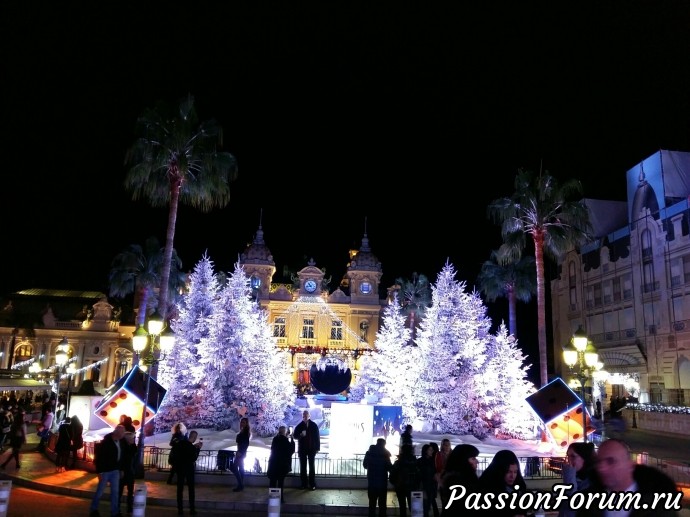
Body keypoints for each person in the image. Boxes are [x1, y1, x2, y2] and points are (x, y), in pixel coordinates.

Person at [576, 438, 681, 517]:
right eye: (599, 462)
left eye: (610, 461)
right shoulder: (587, 503)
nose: (601, 468)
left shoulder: (659, 507)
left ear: (630, 465)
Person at [478, 449, 529, 517]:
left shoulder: (520, 485)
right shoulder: (487, 487)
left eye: (515, 472)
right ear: (499, 471)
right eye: (508, 472)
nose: (512, 476)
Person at [89, 424, 126, 517]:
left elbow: (121, 456)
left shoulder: (120, 442)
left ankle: (115, 512)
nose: (124, 434)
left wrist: (121, 469)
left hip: (115, 470)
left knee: (115, 492)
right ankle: (94, 509)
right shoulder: (107, 442)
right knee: (100, 491)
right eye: (122, 432)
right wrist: (100, 472)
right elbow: (100, 457)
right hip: (105, 471)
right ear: (117, 432)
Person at [557, 442, 597, 517]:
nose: (569, 460)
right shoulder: (575, 478)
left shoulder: (594, 483)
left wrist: (569, 478)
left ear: (585, 458)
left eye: (573, 456)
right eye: (567, 456)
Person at [439, 443, 480, 516]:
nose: (477, 462)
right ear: (463, 460)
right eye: (473, 458)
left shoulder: (450, 476)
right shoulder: (458, 480)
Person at [171, 422, 202, 516]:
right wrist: (198, 449)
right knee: (191, 490)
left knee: (179, 490)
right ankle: (192, 510)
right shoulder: (192, 447)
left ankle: (180, 510)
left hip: (180, 469)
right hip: (189, 470)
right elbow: (194, 458)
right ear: (195, 437)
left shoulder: (181, 444)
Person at [363, 438, 392, 517]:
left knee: (372, 504)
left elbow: (365, 465)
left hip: (372, 482)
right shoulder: (385, 454)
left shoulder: (369, 453)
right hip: (382, 483)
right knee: (382, 505)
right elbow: (390, 467)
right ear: (384, 444)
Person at [390, 442, 421, 517]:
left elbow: (392, 475)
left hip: (400, 487)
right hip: (414, 487)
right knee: (415, 509)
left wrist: (395, 484)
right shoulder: (415, 462)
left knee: (402, 507)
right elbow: (419, 476)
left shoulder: (398, 462)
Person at [266, 425, 295, 503]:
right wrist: (291, 439)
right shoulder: (285, 440)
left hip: (273, 464)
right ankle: (280, 499)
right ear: (284, 432)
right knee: (280, 483)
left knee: (273, 482)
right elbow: (291, 451)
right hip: (282, 465)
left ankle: (272, 499)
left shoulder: (275, 439)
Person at [294, 410, 320, 490]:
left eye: (306, 415)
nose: (304, 417)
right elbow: (295, 436)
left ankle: (312, 484)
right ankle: (304, 484)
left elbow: (317, 437)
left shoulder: (313, 425)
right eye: (303, 415)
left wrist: (317, 448)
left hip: (311, 449)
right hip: (302, 449)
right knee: (303, 467)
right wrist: (300, 435)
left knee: (311, 467)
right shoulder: (300, 426)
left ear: (309, 416)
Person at [118, 416, 138, 514]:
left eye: (133, 436)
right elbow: (122, 458)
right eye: (131, 436)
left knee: (130, 491)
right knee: (120, 491)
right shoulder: (122, 445)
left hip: (129, 471)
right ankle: (117, 508)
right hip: (124, 471)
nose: (132, 437)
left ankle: (129, 509)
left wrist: (132, 444)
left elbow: (134, 454)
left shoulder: (132, 445)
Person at [417, 443, 440, 517]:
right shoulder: (421, 462)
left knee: (426, 509)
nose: (432, 451)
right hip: (422, 488)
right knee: (422, 509)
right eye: (430, 450)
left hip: (429, 488)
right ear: (426, 451)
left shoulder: (432, 462)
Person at [232, 417, 251, 492]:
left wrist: (240, 452)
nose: (241, 423)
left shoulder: (246, 432)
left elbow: (245, 444)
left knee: (234, 467)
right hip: (241, 452)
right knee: (241, 468)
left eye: (243, 422)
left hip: (241, 453)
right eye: (241, 422)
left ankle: (241, 485)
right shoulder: (243, 431)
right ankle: (240, 485)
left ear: (246, 424)